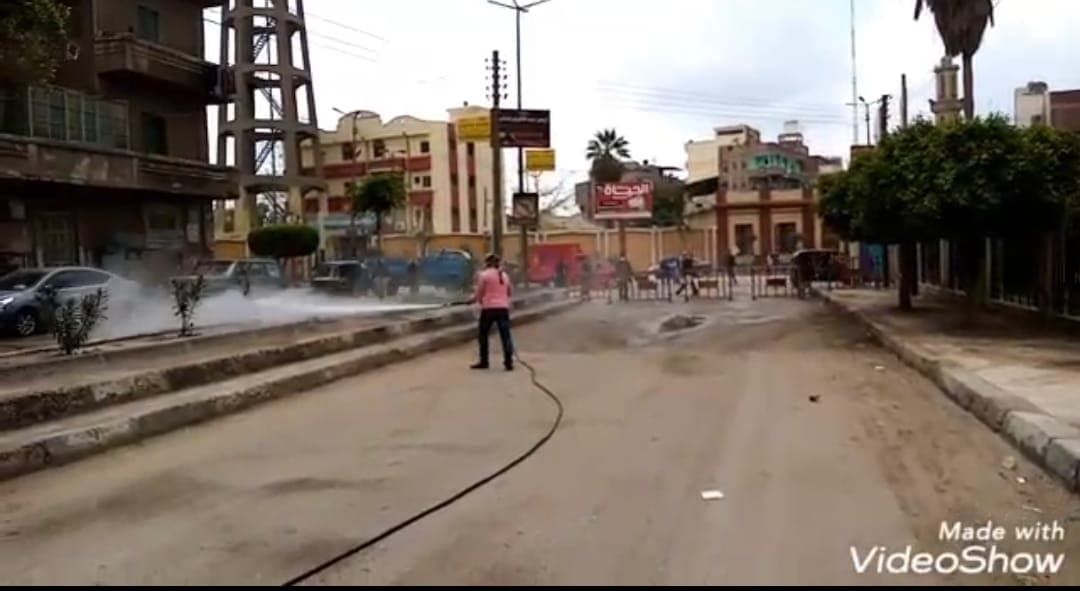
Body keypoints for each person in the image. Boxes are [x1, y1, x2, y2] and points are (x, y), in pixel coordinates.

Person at [469, 253, 514, 371]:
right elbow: (509, 292)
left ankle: (484, 361)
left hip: (489, 308)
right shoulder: (504, 275)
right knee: (505, 336)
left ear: (488, 263)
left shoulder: (484, 275)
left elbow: (479, 293)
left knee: (483, 334)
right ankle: (508, 362)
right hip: (503, 308)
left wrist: (474, 300)